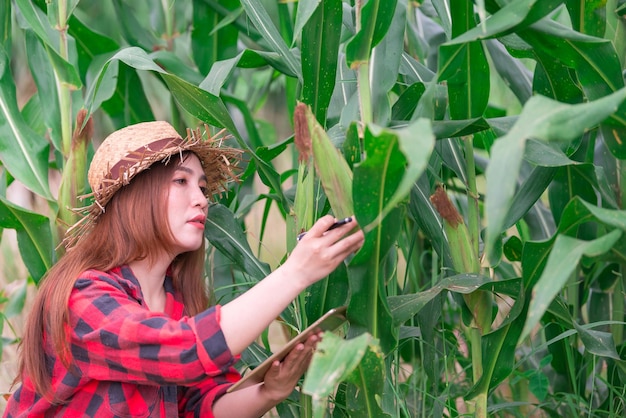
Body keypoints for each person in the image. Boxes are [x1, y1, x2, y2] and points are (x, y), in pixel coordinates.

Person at [3, 121, 364, 417]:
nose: (202, 199)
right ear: (135, 196)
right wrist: (295, 273)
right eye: (181, 181)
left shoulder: (177, 301)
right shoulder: (83, 297)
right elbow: (183, 352)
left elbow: (195, 408)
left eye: (203, 187)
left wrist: (269, 392)